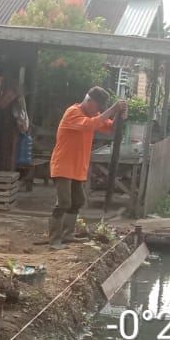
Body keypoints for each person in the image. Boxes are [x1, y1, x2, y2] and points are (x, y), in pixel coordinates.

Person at [47, 86, 126, 248]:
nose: (99, 111)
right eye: (98, 107)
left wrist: (120, 115)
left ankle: (68, 234)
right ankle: (54, 239)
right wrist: (112, 109)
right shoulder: (73, 112)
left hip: (77, 167)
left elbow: (111, 128)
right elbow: (89, 125)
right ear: (89, 102)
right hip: (63, 166)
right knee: (64, 202)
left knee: (78, 201)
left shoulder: (94, 114)